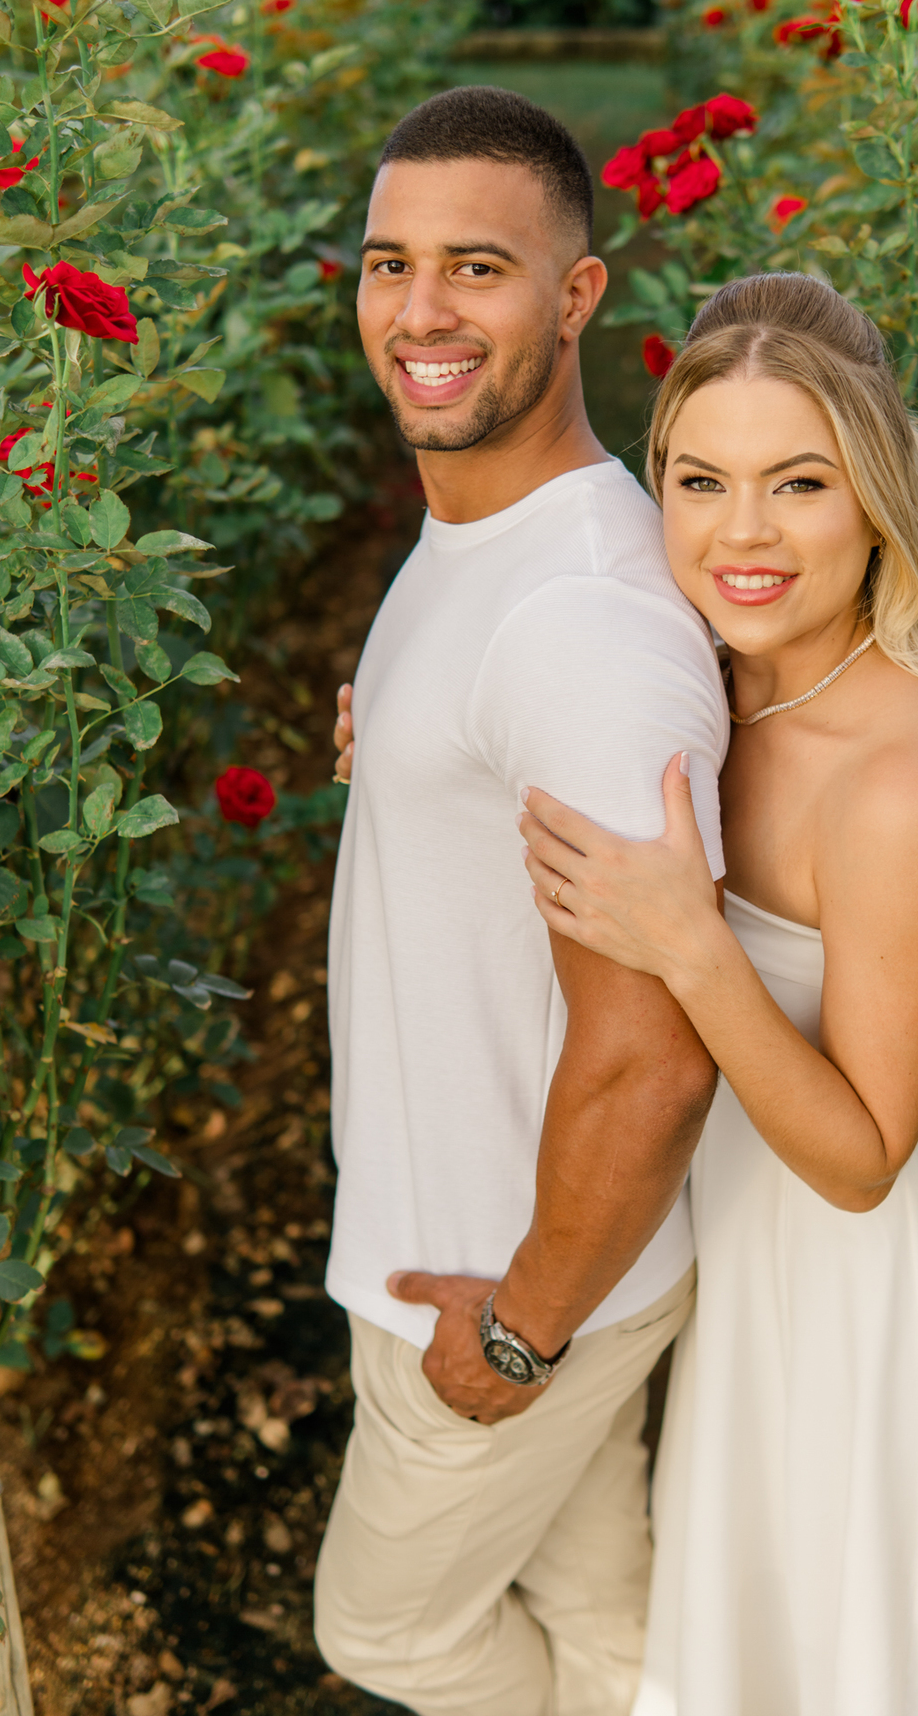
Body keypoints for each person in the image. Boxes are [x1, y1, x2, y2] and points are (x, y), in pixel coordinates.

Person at [517, 273, 918, 1716]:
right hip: (760, 1278)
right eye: (701, 482)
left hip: (897, 1315)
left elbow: (865, 1161)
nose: (741, 534)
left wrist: (695, 946)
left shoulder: (905, 779)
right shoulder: (711, 676)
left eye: (796, 485)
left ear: (873, 499)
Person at [313, 85, 730, 1716]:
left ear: (576, 296)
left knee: (394, 1635)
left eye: (477, 268)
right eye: (387, 262)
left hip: (504, 1278)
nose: (419, 312)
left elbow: (655, 1052)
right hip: (502, 1247)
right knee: (611, 1631)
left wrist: (527, 1330)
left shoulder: (580, 623)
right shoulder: (484, 538)